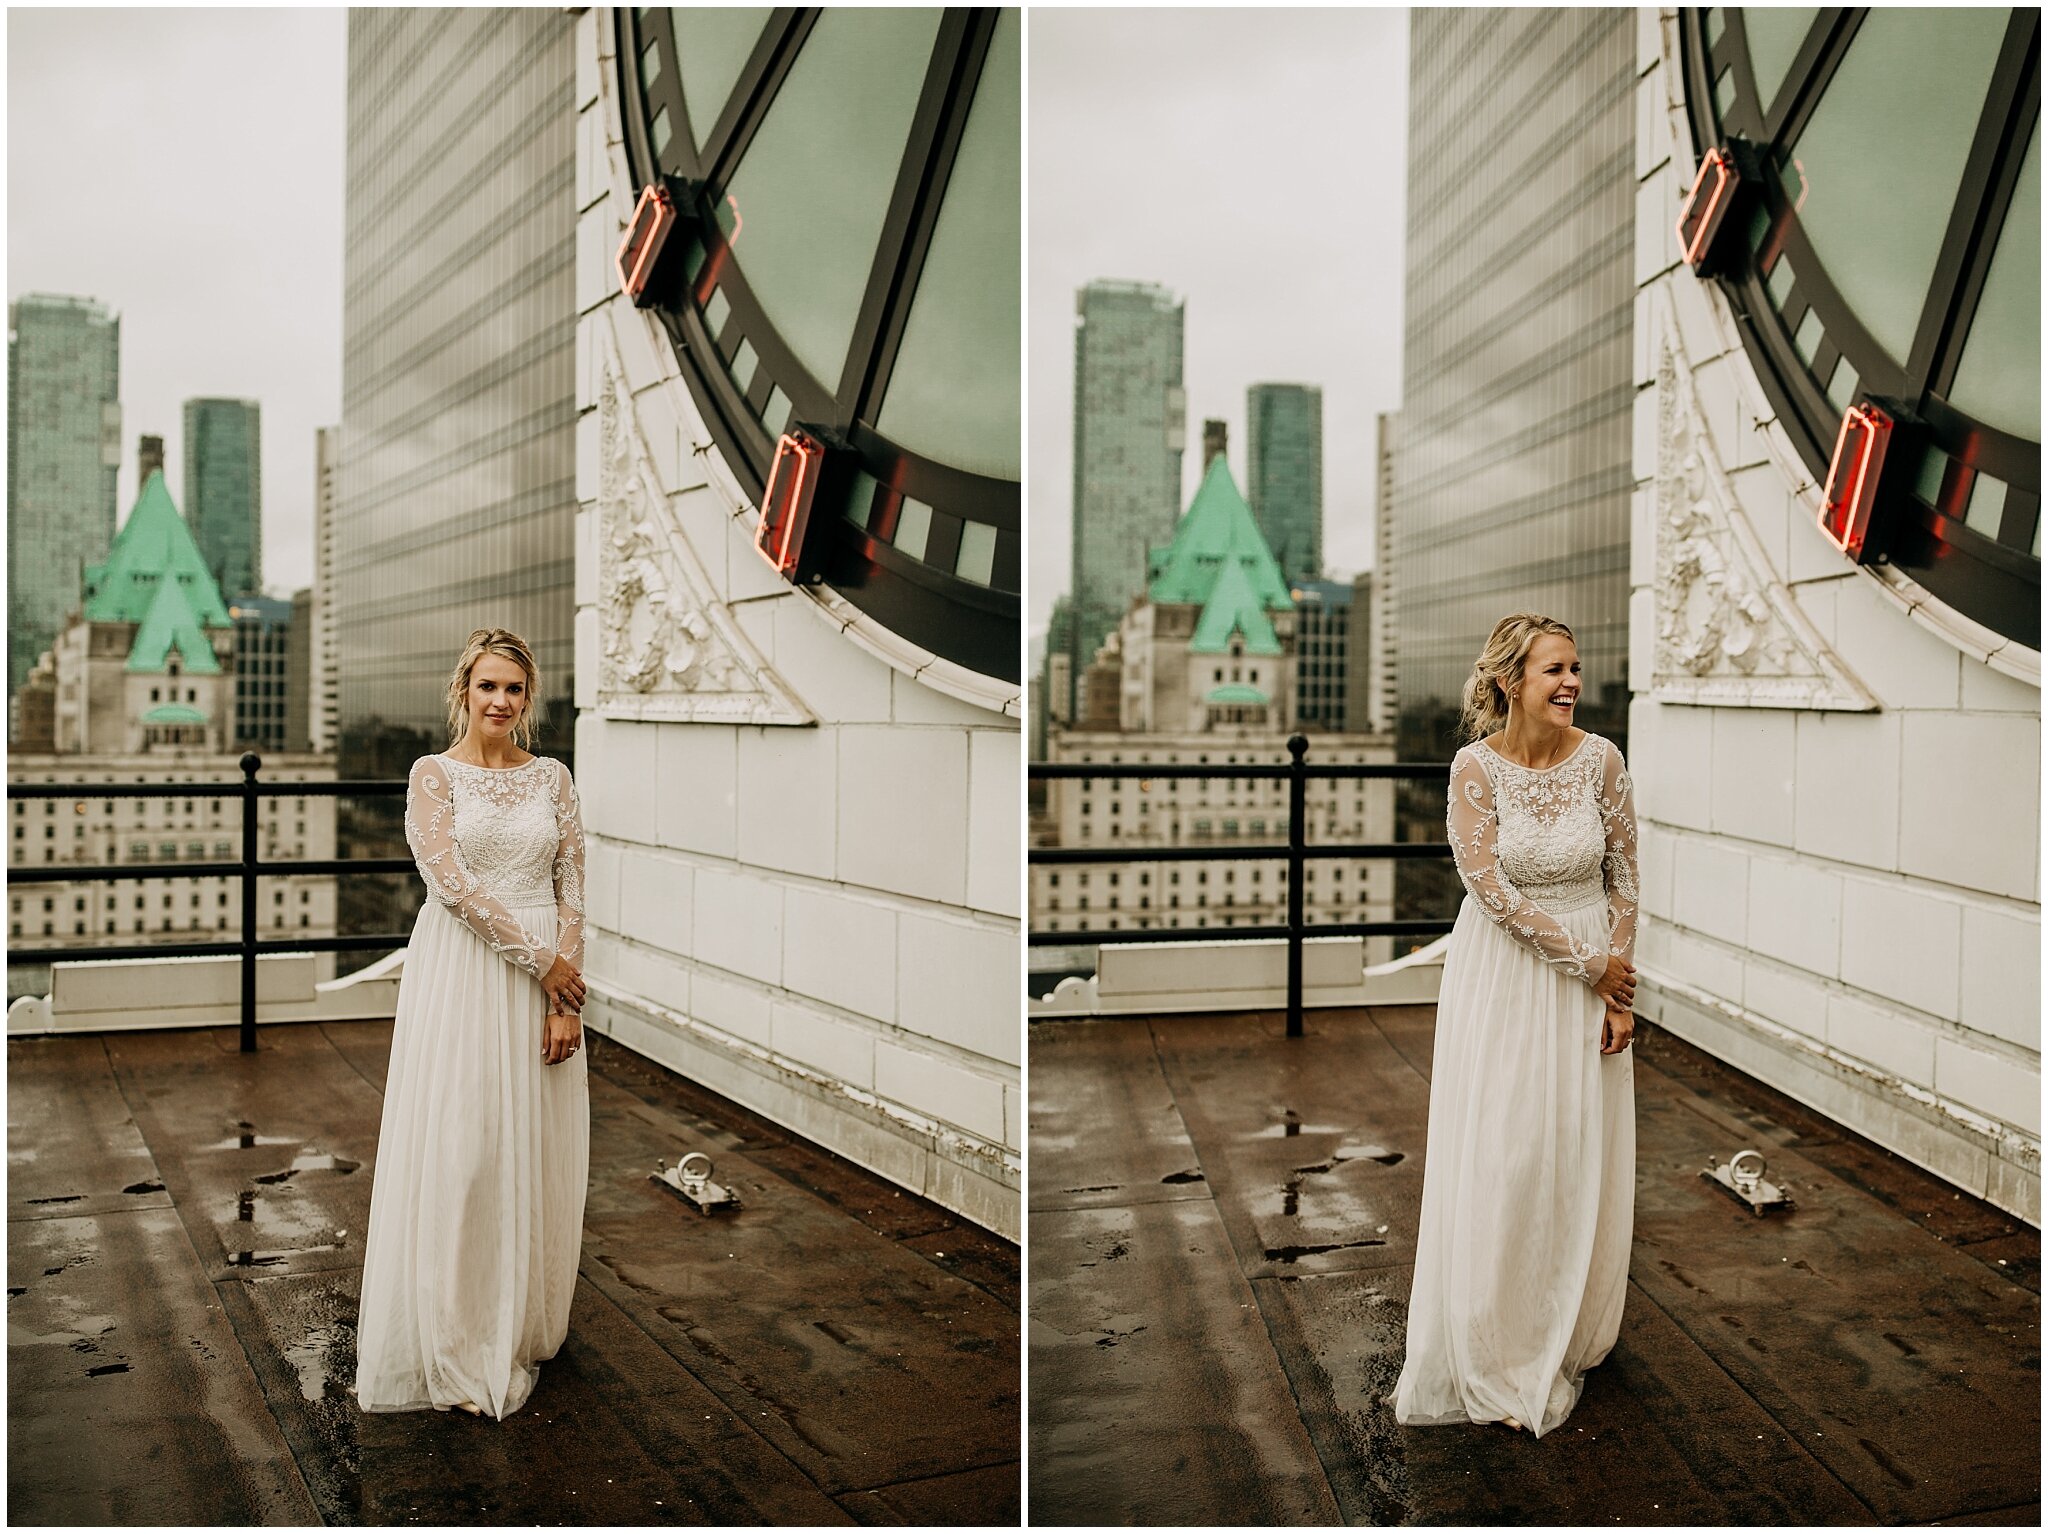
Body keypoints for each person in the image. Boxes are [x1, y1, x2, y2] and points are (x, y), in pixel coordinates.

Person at [1392, 612, 1639, 1439]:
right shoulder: (1474, 769)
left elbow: (1627, 878)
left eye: (1576, 668)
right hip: (1503, 978)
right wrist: (1588, 963)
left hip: (1593, 981)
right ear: (1510, 682)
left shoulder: (1604, 761)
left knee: (1575, 1149)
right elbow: (1488, 890)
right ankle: (1499, 1334)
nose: (1572, 683)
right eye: (1554, 671)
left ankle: (1566, 1327)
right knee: (1510, 1150)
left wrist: (1617, 989)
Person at [354, 627, 590, 1420]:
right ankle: (456, 1330)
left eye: (515, 690)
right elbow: (449, 886)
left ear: (529, 699)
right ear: (463, 691)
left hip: (545, 982)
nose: (501, 701)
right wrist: (543, 965)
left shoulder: (554, 777)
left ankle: (518, 1320)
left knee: (534, 1148)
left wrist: (563, 997)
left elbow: (574, 886)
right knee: (466, 1149)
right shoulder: (434, 776)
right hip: (463, 973)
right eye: (488, 686)